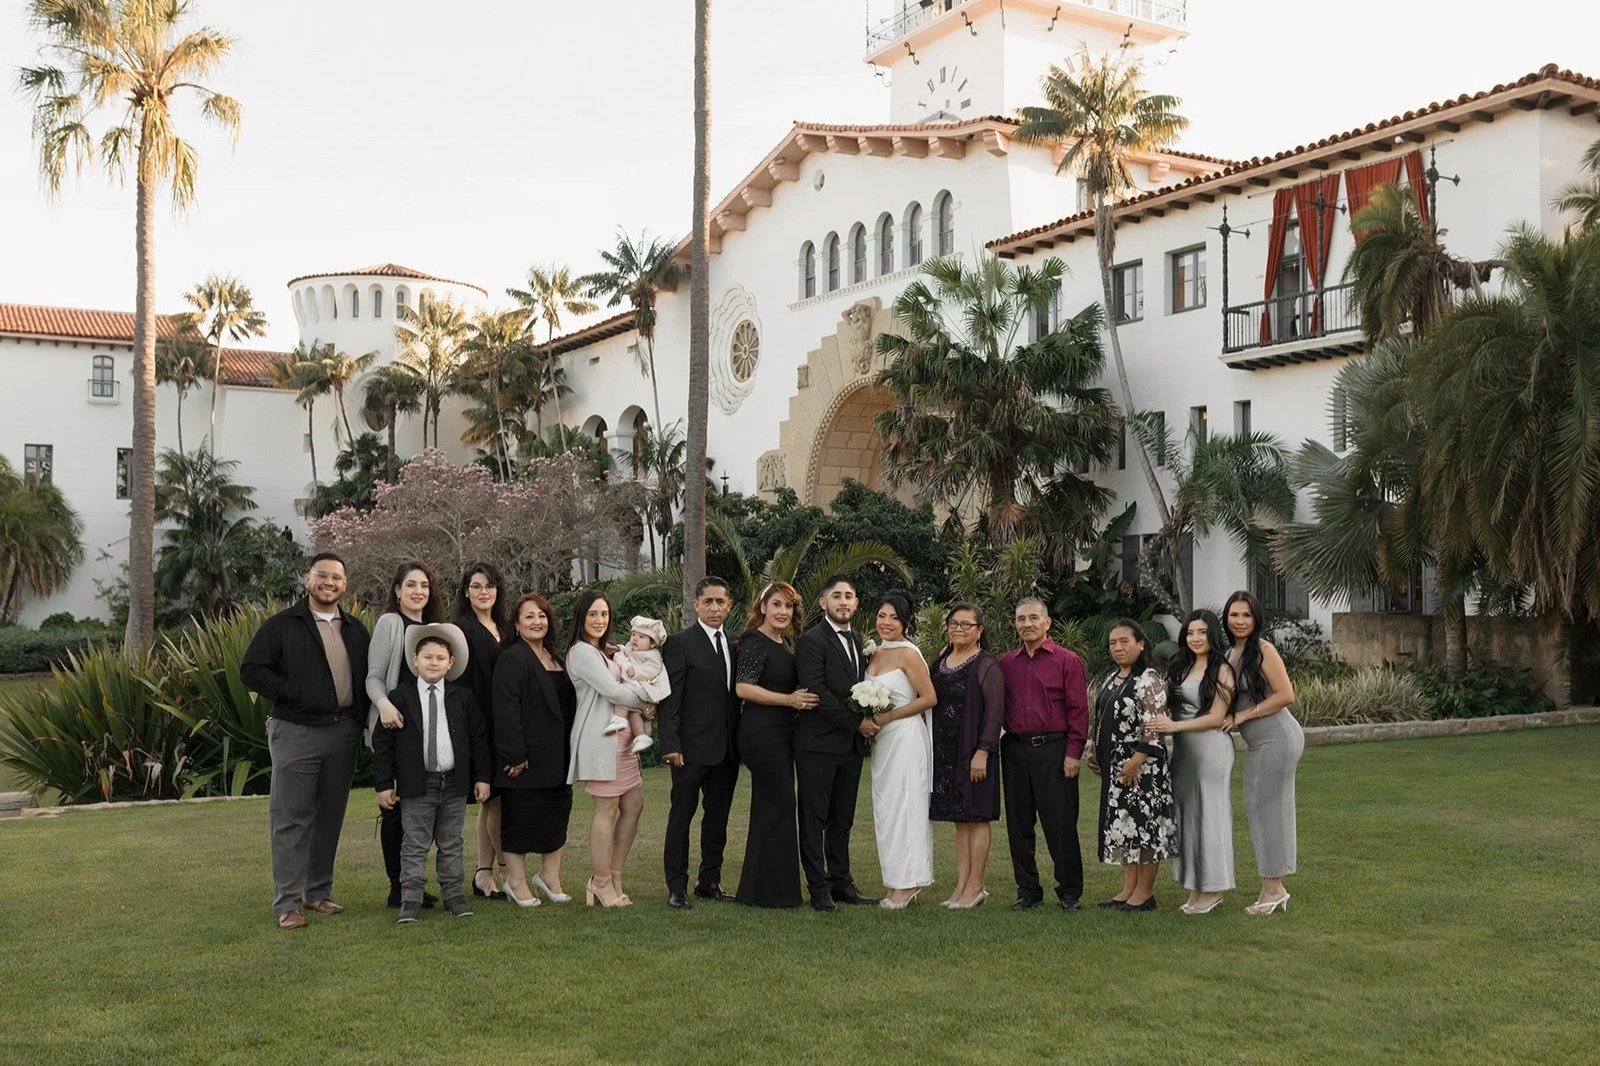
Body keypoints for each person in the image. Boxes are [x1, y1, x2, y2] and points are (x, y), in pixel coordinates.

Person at [241, 552, 370, 930]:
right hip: (296, 732)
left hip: (343, 732)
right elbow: (252, 670)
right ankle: (288, 902)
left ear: (345, 585)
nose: (329, 583)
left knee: (329, 816)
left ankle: (317, 892)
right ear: (308, 579)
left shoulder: (356, 629)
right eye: (322, 576)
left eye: (337, 578)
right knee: (291, 818)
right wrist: (293, 693)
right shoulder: (282, 625)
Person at [372, 623, 491, 923]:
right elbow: (383, 743)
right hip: (417, 783)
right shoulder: (400, 697)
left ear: (450, 663)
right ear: (415, 659)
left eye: (440, 658)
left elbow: (478, 738)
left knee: (451, 842)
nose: (433, 663)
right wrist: (384, 784)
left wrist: (482, 777)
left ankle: (453, 896)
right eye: (427, 657)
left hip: (453, 782)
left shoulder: (461, 698)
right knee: (414, 843)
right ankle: (410, 899)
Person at [794, 574, 880, 911]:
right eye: (837, 596)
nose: (844, 601)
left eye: (849, 596)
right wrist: (858, 722)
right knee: (814, 818)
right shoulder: (812, 640)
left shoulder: (859, 640)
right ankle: (818, 888)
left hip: (850, 748)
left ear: (856, 603)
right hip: (818, 744)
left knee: (842, 818)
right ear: (823, 603)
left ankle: (841, 882)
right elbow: (817, 690)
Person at [998, 597, 1089, 912]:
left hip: (1055, 749)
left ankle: (1069, 892)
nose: (1027, 624)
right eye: (1021, 619)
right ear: (1016, 624)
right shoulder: (1006, 663)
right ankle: (1028, 890)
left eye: (1034, 618)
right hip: (1013, 750)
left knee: (1060, 823)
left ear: (1047, 623)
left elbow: (1078, 711)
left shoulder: (1067, 661)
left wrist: (1073, 753)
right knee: (1019, 825)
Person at [657, 578, 742, 909]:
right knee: (681, 817)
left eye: (721, 601)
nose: (715, 607)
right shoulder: (680, 644)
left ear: (729, 605)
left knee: (717, 819)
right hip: (689, 750)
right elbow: (670, 699)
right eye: (708, 601)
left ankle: (709, 881)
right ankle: (676, 886)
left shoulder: (736, 643)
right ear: (695, 605)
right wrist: (670, 744)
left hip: (727, 750)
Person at [365, 560, 445, 908]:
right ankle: (398, 888)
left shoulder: (434, 628)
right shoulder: (390, 623)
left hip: (429, 731)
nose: (418, 592)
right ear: (397, 590)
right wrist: (383, 705)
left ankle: (412, 882)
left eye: (424, 585)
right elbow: (374, 676)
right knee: (396, 809)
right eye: (410, 585)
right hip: (395, 727)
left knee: (422, 808)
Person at [566, 590, 653, 908]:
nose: (599, 620)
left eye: (604, 614)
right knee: (606, 809)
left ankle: (613, 875)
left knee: (634, 804)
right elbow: (613, 691)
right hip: (601, 741)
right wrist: (647, 699)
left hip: (625, 743)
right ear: (581, 618)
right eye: (592, 614)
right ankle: (599, 883)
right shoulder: (581, 653)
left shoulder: (609, 651)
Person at [732, 581, 816, 908]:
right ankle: (773, 893)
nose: (783, 612)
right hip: (761, 733)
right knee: (781, 804)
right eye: (777, 605)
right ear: (763, 607)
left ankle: (760, 891)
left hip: (781, 734)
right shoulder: (755, 641)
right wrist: (789, 700)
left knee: (771, 807)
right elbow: (743, 688)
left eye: (789, 606)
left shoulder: (783, 644)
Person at [1147, 610, 1237, 914]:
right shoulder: (1181, 666)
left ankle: (1213, 889)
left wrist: (1173, 727)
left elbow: (1215, 717)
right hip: (1184, 753)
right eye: (1190, 633)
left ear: (1212, 635)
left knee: (1210, 816)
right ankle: (1196, 886)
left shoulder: (1221, 668)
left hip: (1210, 751)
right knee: (1186, 817)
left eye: (1201, 633)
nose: (1195, 639)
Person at [1222, 590, 1304, 915]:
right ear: (1226, 619)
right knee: (1261, 806)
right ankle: (1274, 886)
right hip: (1261, 743)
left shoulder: (1262, 650)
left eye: (1246, 615)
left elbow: (1286, 695)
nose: (1240, 621)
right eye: (1234, 615)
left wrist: (1242, 716)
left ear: (1255, 618)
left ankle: (1274, 889)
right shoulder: (1232, 653)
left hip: (1277, 738)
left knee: (1266, 807)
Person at [1087, 619, 1178, 912]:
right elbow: (1100, 718)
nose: (1118, 648)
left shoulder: (1148, 679)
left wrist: (1135, 761)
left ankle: (1144, 893)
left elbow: (1154, 727)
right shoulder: (1112, 678)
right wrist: (1093, 749)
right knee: (1125, 828)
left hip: (1143, 768)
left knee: (1145, 827)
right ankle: (1128, 889)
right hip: (1118, 768)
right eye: (1113, 643)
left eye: (1124, 641)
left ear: (1141, 643)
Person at [493, 593, 577, 908]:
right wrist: (516, 754)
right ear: (516, 624)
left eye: (541, 616)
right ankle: (514, 881)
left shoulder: (558, 658)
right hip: (525, 758)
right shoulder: (512, 658)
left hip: (559, 756)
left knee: (556, 817)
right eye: (528, 616)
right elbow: (505, 710)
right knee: (520, 819)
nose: (536, 622)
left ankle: (549, 877)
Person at [863, 590, 938, 910]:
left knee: (906, 807)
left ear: (905, 622)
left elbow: (929, 697)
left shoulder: (910, 654)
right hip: (882, 742)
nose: (887, 622)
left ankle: (908, 883)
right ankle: (894, 880)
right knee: (886, 810)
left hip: (906, 738)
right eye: (882, 615)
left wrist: (890, 715)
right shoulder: (874, 653)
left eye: (894, 617)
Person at [929, 603, 1005, 909]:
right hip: (946, 752)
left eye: (966, 625)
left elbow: (996, 712)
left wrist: (983, 752)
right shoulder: (941, 661)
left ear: (979, 631)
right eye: (954, 623)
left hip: (974, 752)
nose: (958, 629)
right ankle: (961, 885)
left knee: (977, 817)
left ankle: (976, 888)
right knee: (960, 820)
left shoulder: (986, 664)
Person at [454, 562, 507, 900]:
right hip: (479, 722)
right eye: (476, 586)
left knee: (492, 802)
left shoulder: (505, 626)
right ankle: (507, 868)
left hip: (506, 722)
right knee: (494, 798)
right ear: (466, 592)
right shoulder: (459, 628)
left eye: (488, 585)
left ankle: (482, 874)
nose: (483, 591)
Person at [610, 616, 670, 755]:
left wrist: (636, 671)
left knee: (623, 694)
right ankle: (641, 736)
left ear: (652, 644)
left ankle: (619, 718)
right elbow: (624, 651)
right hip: (638, 686)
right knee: (634, 712)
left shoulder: (652, 655)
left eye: (641, 637)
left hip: (645, 687)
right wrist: (617, 649)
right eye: (633, 635)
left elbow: (652, 669)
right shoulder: (632, 648)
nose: (635, 639)